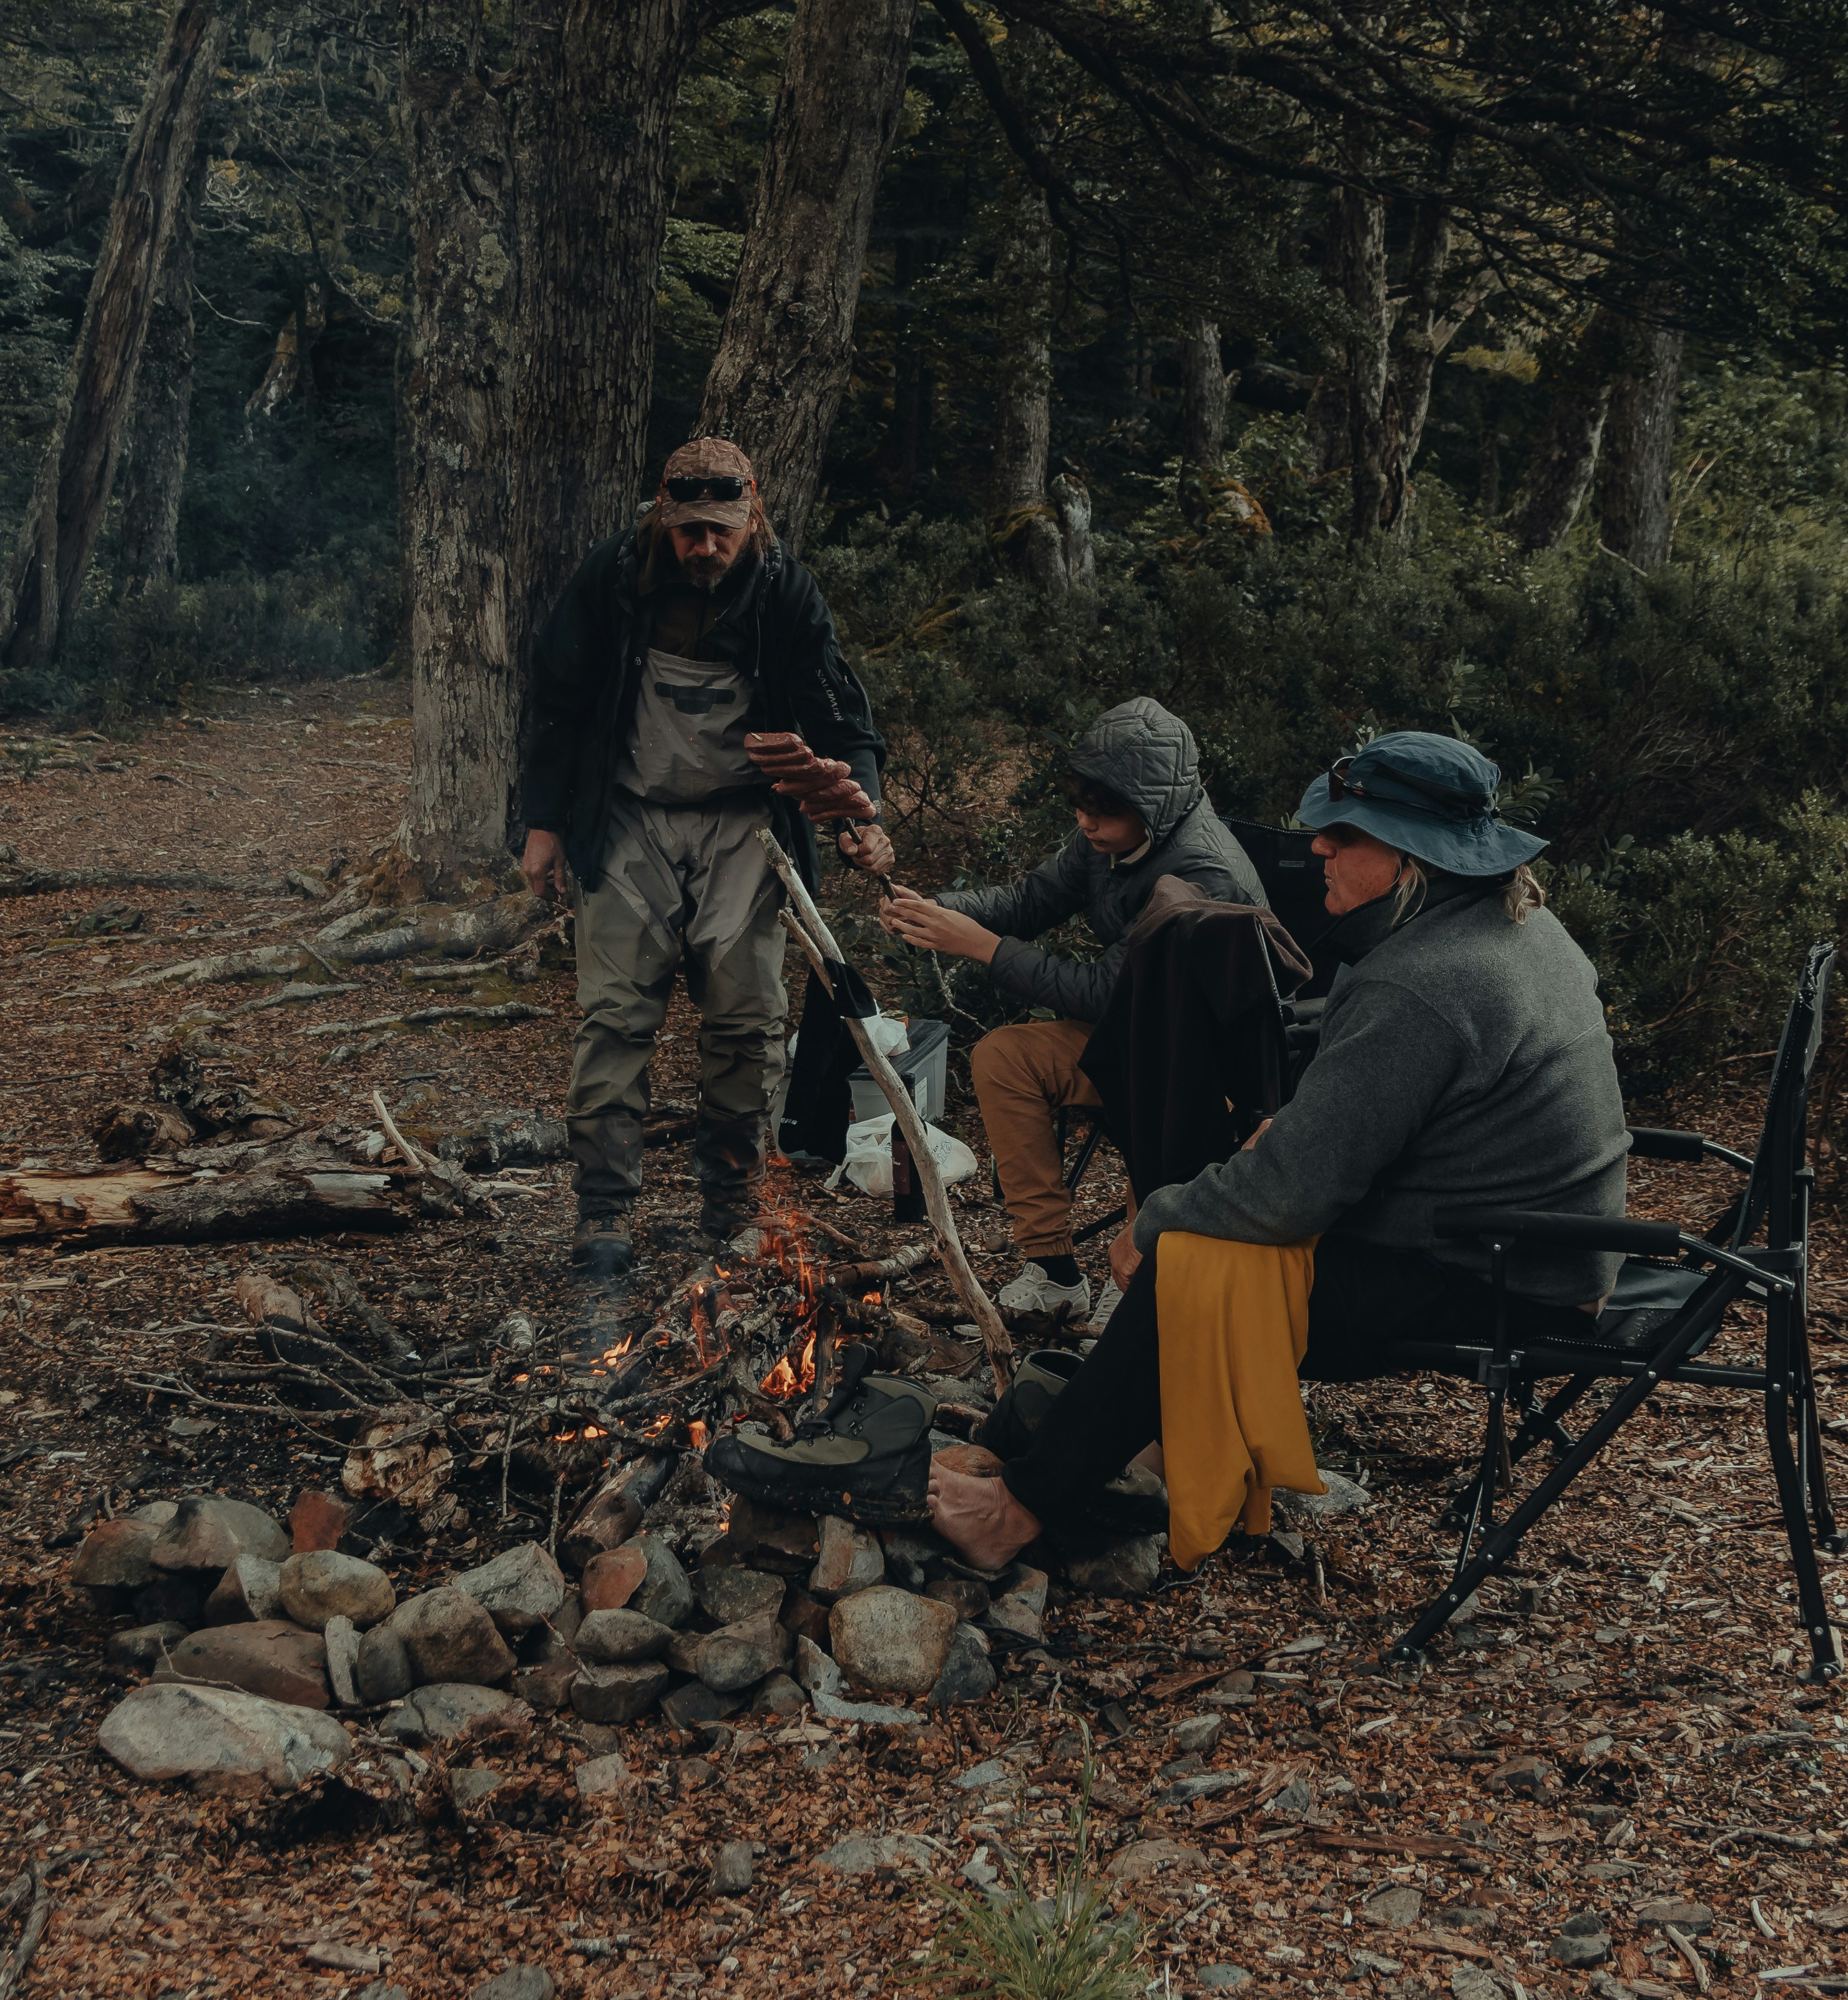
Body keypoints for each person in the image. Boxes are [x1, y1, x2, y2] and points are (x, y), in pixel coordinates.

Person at [922, 731, 1631, 1573]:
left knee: (1187, 1266)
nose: (1319, 847)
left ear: (1414, 859)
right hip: (1533, 1252)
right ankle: (1142, 1448)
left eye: (1348, 835)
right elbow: (1361, 1111)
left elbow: (1292, 1195)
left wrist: (1156, 1220)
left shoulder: (1425, 982)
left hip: (1493, 1279)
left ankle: (1020, 1512)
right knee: (1203, 1245)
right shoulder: (1517, 927)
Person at [519, 437, 893, 1276]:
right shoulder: (614, 578)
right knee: (613, 1018)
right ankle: (604, 1214)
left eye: (721, 530)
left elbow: (842, 720)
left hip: (741, 826)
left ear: (750, 512)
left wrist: (858, 810)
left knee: (747, 1023)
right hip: (629, 818)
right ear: (664, 515)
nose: (705, 546)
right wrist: (542, 822)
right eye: (690, 530)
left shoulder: (785, 592)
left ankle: (731, 1209)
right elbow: (557, 701)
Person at [878, 700, 1264, 1322]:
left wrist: (979, 947)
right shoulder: (1111, 833)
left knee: (1155, 1083)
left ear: (1153, 808)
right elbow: (1033, 900)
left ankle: (1142, 1278)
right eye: (1079, 805)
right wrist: (935, 909)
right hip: (1132, 1035)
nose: (1084, 822)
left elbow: (1104, 995)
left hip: (1203, 1067)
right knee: (1004, 1056)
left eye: (1101, 811)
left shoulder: (1201, 873)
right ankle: (1054, 1270)